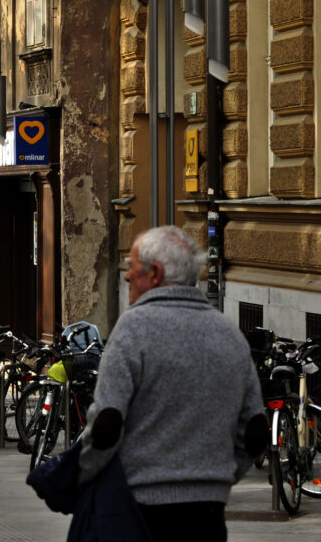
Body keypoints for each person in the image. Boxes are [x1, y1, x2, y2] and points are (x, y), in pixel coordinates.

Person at [78, 226, 266, 541]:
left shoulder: (132, 329)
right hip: (208, 513)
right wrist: (217, 478)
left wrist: (82, 472)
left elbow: (106, 424)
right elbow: (256, 430)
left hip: (140, 509)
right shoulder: (229, 333)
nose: (125, 278)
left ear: (154, 274)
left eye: (132, 269)